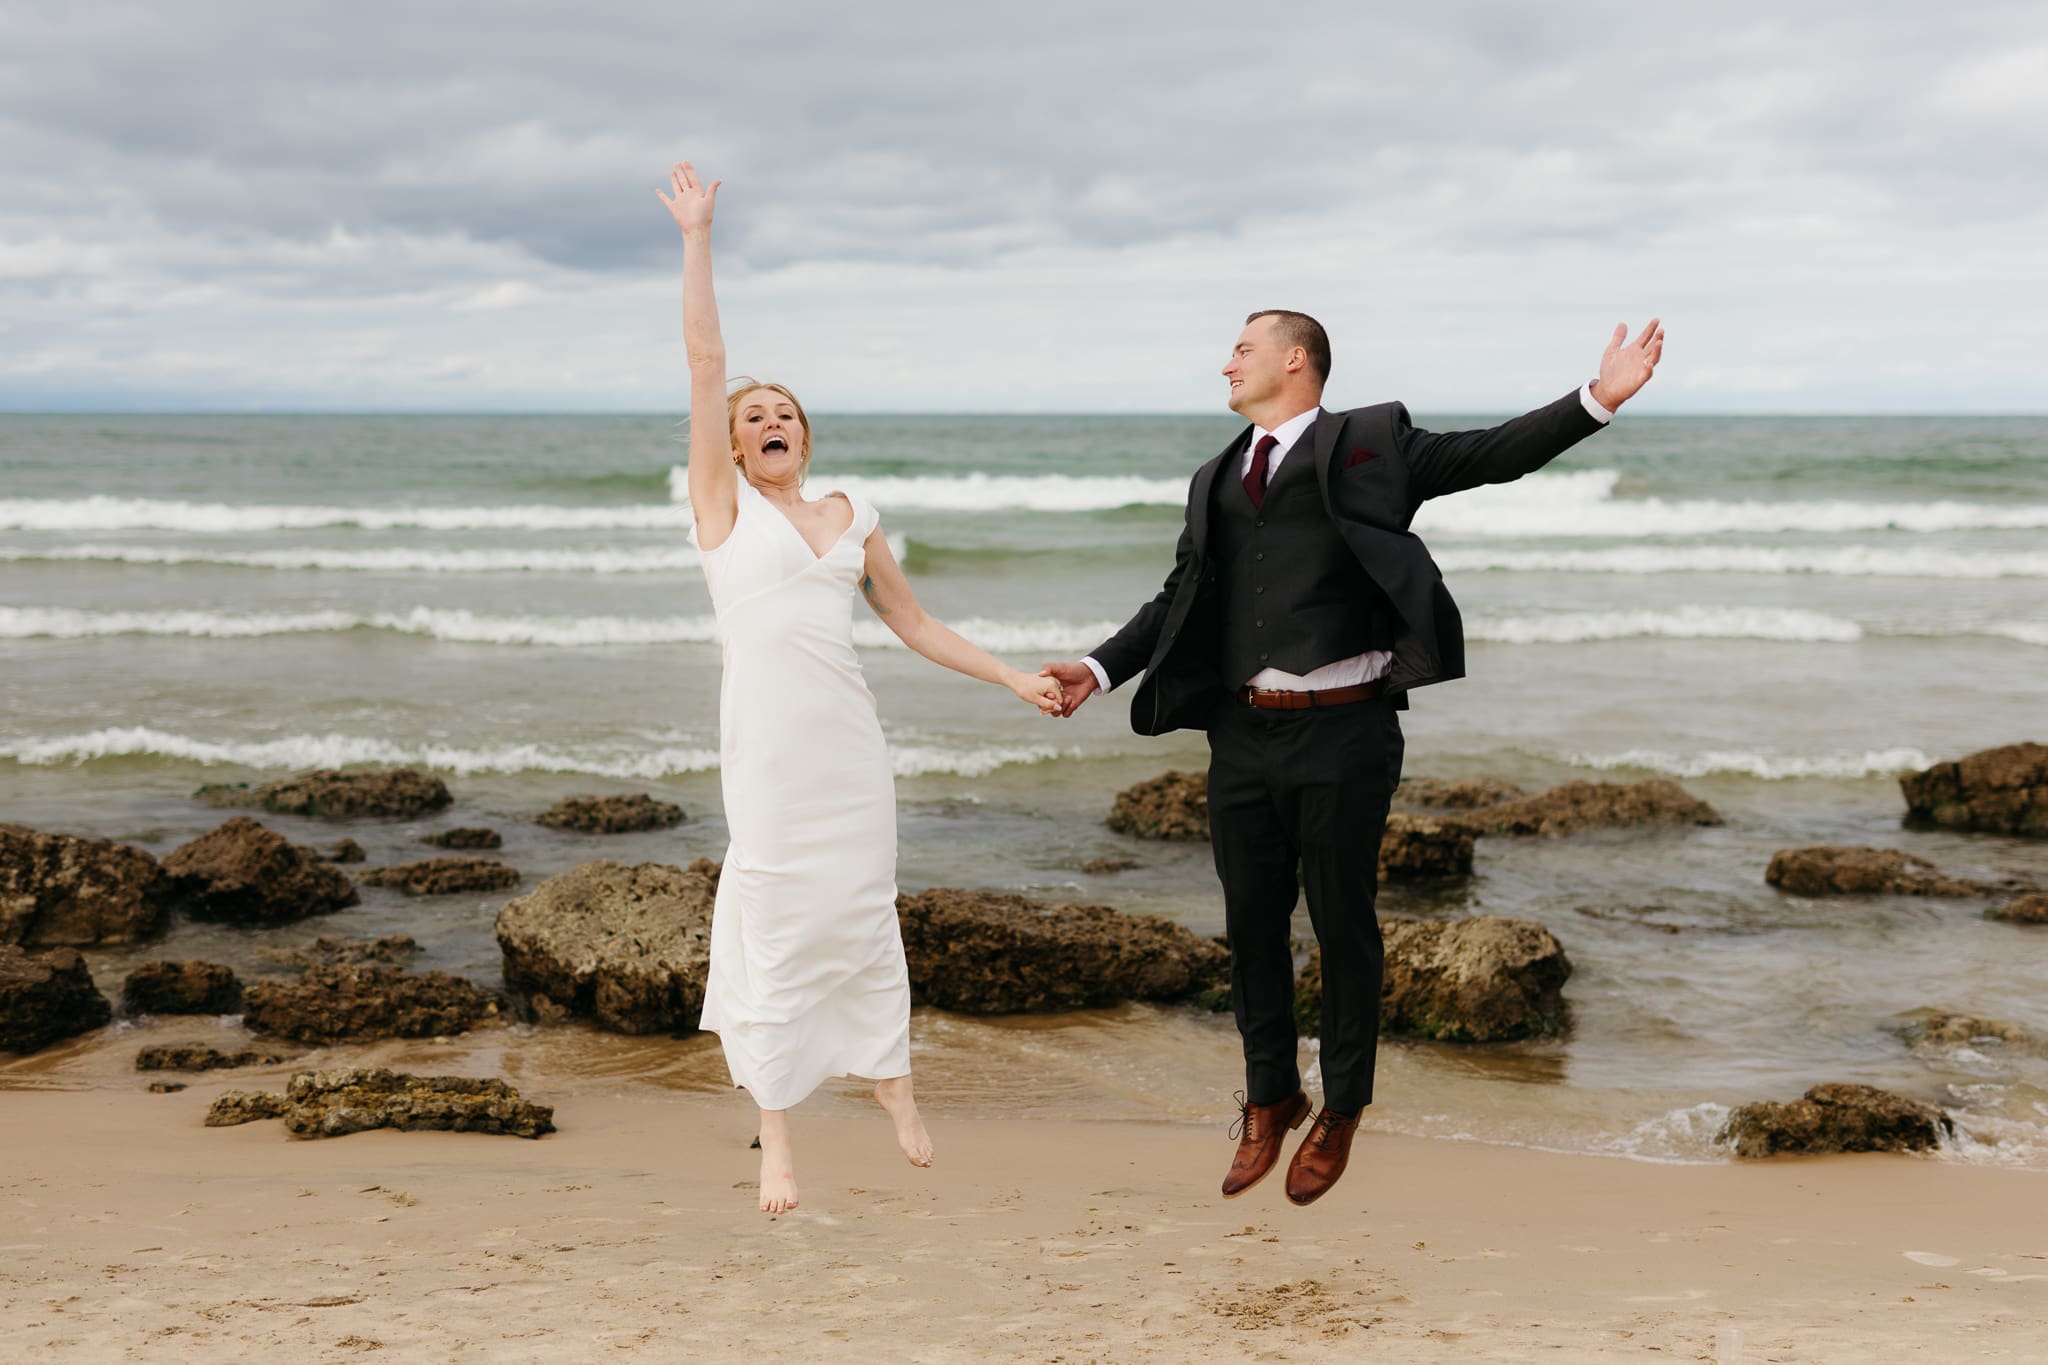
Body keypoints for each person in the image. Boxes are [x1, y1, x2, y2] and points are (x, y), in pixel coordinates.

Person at [1042, 309, 1663, 1206]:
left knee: (1342, 922)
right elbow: (1183, 591)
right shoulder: (1216, 475)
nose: (1226, 363)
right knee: (1251, 923)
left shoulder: (1374, 440)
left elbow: (1492, 453)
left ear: (1294, 361)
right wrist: (1099, 668)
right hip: (1242, 732)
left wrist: (1598, 397)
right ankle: (1270, 1095)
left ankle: (1342, 1107)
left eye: (1242, 349)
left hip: (1345, 728)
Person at [657, 162, 1064, 1215]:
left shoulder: (852, 513)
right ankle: (778, 1142)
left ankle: (894, 1090)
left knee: (861, 917)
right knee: (779, 925)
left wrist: (1014, 678)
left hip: (847, 749)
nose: (765, 419)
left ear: (805, 435)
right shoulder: (720, 511)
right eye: (751, 417)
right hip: (767, 752)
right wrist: (698, 236)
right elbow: (706, 362)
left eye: (782, 411)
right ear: (735, 447)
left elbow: (912, 622)